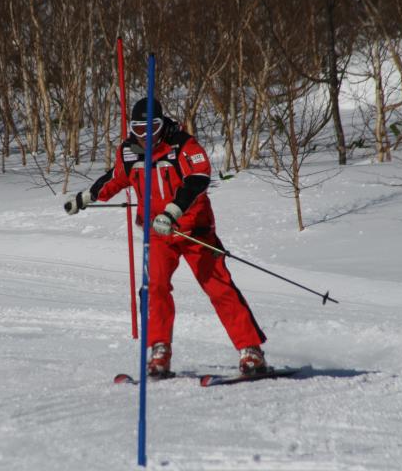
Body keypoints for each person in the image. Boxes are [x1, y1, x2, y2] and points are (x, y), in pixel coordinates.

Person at [65, 97, 268, 377]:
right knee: (154, 288)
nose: (145, 136)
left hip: (193, 230)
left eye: (152, 128)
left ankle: (251, 350)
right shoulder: (129, 153)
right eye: (139, 129)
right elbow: (115, 178)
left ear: (162, 125)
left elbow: (198, 179)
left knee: (218, 287)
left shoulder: (183, 145)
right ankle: (159, 350)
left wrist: (172, 212)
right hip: (158, 235)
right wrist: (85, 198)